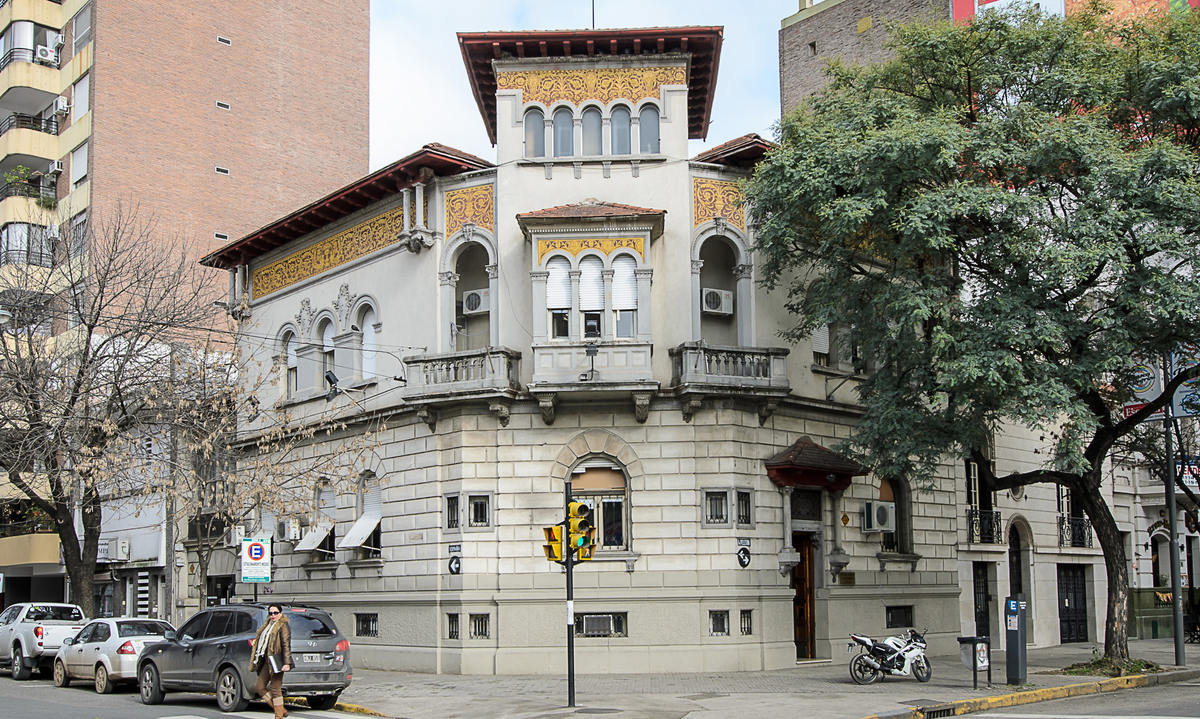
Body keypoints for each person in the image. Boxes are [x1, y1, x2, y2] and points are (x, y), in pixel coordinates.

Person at [250, 603, 292, 718]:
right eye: (271, 613)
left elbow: (286, 644)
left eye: (275, 613)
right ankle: (281, 710)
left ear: (281, 613)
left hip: (277, 661)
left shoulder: (283, 625)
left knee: (275, 688)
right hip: (267, 660)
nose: (273, 615)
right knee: (259, 686)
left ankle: (278, 716)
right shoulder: (268, 625)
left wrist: (287, 663)